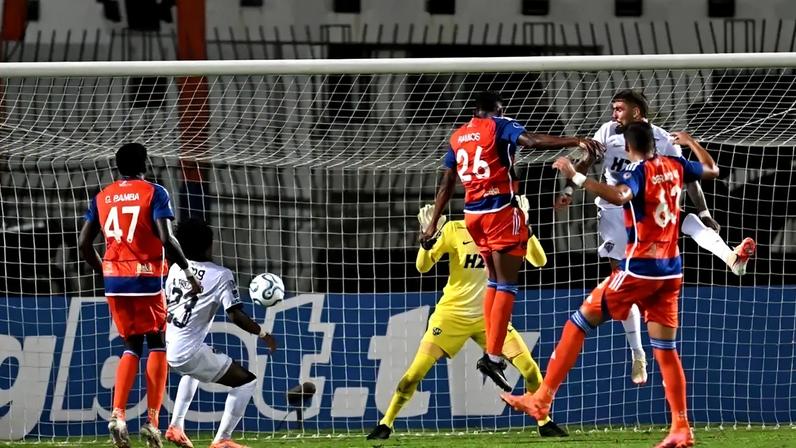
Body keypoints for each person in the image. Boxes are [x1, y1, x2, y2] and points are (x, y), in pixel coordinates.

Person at [502, 121, 720, 448]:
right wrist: (690, 141)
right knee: (665, 349)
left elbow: (619, 196)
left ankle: (542, 400)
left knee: (578, 323)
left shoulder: (639, 172)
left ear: (630, 148)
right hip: (671, 272)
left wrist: (576, 177)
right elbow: (711, 170)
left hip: (638, 271)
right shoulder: (675, 164)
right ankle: (681, 427)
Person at [554, 90, 756, 384]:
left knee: (684, 219)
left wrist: (705, 210)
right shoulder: (608, 132)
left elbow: (688, 177)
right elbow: (589, 158)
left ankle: (730, 256)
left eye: (619, 109)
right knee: (623, 286)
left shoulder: (662, 139)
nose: (614, 114)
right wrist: (569, 190)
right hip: (614, 213)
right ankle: (638, 354)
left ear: (636, 112)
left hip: (641, 208)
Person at [421, 91, 603, 391]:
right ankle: (492, 356)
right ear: (495, 110)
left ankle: (491, 354)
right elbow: (530, 141)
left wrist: (431, 225)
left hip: (472, 216)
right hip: (499, 211)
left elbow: (446, 184)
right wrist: (575, 140)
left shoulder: (458, 137)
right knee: (506, 284)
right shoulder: (497, 125)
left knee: (494, 281)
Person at [366, 203, 566, 440]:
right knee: (414, 375)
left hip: (490, 318)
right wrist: (429, 233)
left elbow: (540, 261)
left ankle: (544, 421)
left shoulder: (507, 229)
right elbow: (422, 266)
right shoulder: (454, 229)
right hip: (451, 316)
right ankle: (386, 423)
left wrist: (525, 226)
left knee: (531, 370)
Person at [79, 143, 202, 448]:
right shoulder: (154, 192)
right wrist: (187, 271)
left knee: (130, 346)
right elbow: (165, 236)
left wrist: (105, 270)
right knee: (158, 341)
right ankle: (152, 422)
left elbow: (83, 244)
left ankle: (118, 415)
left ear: (117, 167)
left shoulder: (102, 196)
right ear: (144, 163)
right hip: (146, 277)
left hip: (115, 281)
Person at [162, 218, 277, 448]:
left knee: (193, 373)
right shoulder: (221, 274)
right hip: (188, 352)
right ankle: (222, 440)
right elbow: (236, 316)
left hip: (171, 347)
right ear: (209, 245)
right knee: (246, 382)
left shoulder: (175, 267)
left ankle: (175, 426)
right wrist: (264, 334)